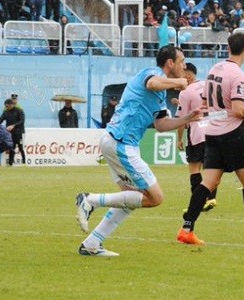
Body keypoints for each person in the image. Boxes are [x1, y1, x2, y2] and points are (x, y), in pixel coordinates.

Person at [74, 44, 202, 257]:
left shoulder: (160, 96)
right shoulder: (151, 74)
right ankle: (90, 200)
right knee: (155, 198)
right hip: (121, 142)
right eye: (181, 62)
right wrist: (178, 82)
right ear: (170, 63)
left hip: (116, 141)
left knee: (130, 198)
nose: (184, 65)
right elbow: (152, 84)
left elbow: (161, 125)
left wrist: (188, 118)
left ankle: (92, 244)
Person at [176, 32, 244, 246]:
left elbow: (207, 103)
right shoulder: (239, 75)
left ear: (228, 48)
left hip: (213, 134)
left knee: (207, 183)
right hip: (233, 134)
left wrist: (227, 111)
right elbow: (237, 109)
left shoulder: (214, 69)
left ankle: (186, 228)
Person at [175, 62, 218, 213]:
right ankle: (211, 197)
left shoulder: (185, 92)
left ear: (187, 74)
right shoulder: (207, 85)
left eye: (180, 74)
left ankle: (198, 202)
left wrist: (179, 139)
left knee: (194, 169)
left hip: (197, 132)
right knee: (211, 167)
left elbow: (182, 119)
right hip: (214, 129)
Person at [0, 98, 26, 166]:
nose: (6, 107)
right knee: (11, 147)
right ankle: (10, 164)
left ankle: (24, 162)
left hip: (19, 132)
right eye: (6, 106)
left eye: (7, 106)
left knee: (21, 147)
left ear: (12, 104)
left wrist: (13, 126)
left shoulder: (19, 111)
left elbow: (22, 121)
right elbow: (0, 119)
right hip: (10, 133)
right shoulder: (5, 112)